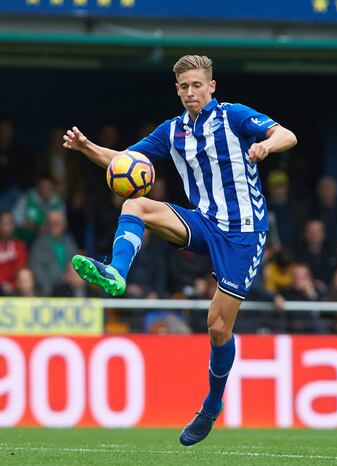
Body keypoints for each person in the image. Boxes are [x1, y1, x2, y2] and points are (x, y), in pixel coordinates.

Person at [63, 55, 297, 445]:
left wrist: (266, 147)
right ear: (177, 90)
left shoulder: (235, 116)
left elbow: (287, 134)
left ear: (211, 86)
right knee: (134, 204)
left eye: (196, 85)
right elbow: (125, 163)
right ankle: (117, 271)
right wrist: (87, 147)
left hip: (243, 234)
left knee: (218, 327)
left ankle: (212, 405)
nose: (191, 92)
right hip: (203, 221)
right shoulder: (172, 132)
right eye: (184, 86)